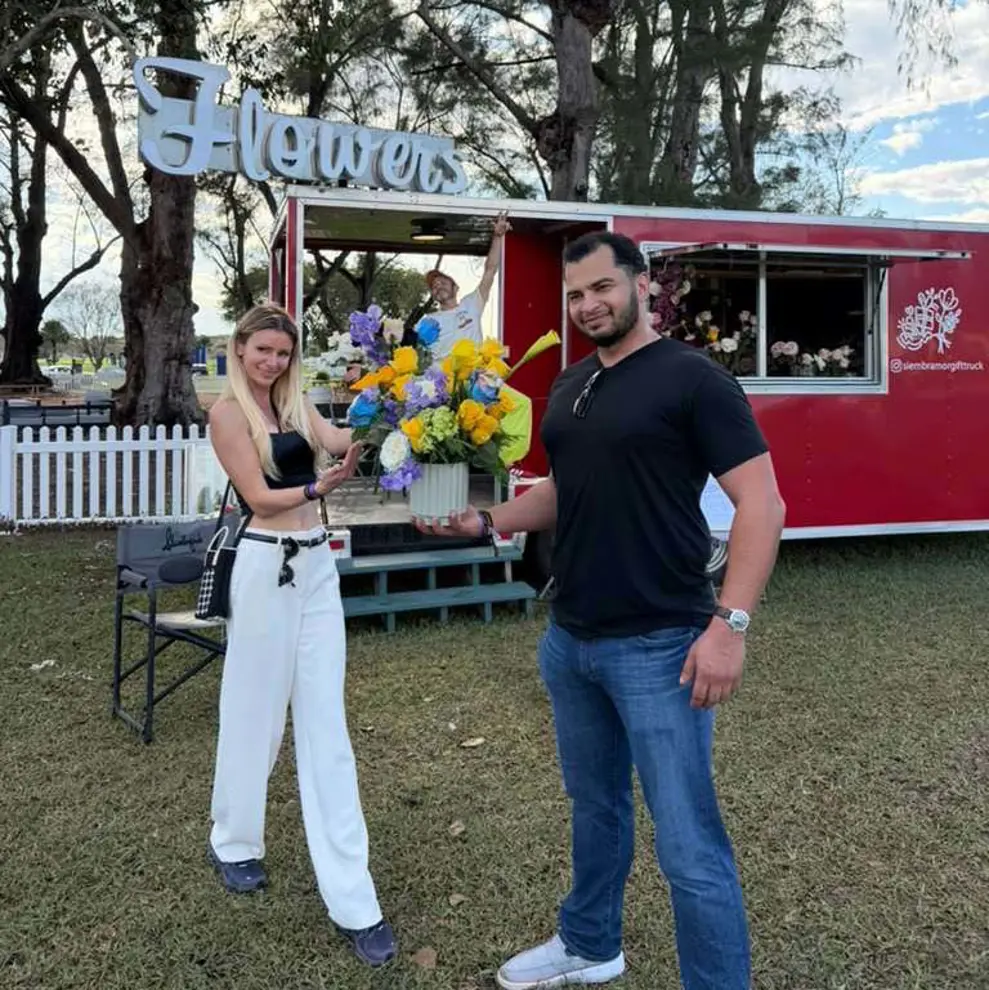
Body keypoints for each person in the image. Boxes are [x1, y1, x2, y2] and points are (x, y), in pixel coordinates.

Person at [416, 231, 785, 989]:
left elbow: (762, 503)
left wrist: (730, 625)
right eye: (576, 295)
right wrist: (488, 521)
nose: (588, 305)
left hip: (661, 645)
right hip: (572, 638)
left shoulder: (694, 379)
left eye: (602, 288)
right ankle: (590, 943)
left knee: (687, 845)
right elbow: (565, 489)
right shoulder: (572, 382)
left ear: (640, 285)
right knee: (595, 808)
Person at [206, 302, 397, 968]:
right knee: (253, 715)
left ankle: (354, 900)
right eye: (262, 350)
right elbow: (260, 498)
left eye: (283, 353)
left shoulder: (295, 403)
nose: (272, 362)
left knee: (325, 724)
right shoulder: (227, 414)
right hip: (266, 565)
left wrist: (391, 405)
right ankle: (233, 841)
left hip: (317, 564)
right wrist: (319, 486)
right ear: (239, 348)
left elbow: (341, 440)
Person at [421, 211, 512, 358]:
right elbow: (420, 353)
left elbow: (490, 270)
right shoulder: (429, 321)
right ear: (433, 296)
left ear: (456, 287)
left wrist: (497, 236)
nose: (438, 287)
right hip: (444, 373)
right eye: (434, 287)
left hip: (473, 371)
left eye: (443, 282)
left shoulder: (471, 304)